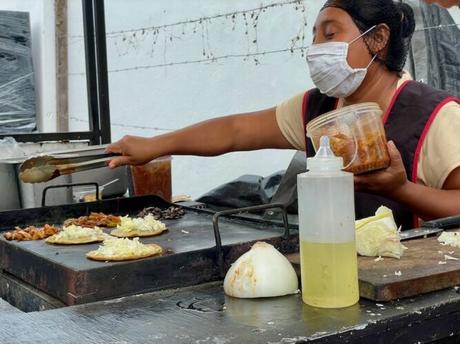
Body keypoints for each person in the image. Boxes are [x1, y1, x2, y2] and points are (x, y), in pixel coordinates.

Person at [107, 0, 460, 229]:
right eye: (315, 37)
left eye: (330, 34)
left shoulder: (436, 116)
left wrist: (401, 189)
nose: (317, 48)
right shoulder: (318, 107)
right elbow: (235, 131)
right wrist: (154, 145)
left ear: (378, 38)